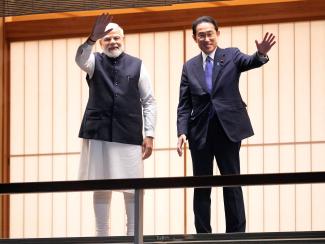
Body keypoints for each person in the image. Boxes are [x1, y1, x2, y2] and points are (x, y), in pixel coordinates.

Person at [176, 16, 275, 233]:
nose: (206, 38)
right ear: (195, 38)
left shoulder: (231, 55)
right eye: (201, 34)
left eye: (210, 33)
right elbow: (184, 104)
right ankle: (203, 234)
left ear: (217, 34)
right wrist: (182, 132)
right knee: (201, 186)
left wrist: (261, 54)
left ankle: (237, 234)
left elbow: (250, 61)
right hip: (199, 132)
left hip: (228, 129)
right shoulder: (189, 67)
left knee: (232, 182)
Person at [75, 13, 156, 236]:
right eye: (107, 39)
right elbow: (80, 59)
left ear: (123, 39)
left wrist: (149, 134)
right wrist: (90, 39)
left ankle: (134, 236)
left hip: (129, 133)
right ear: (101, 43)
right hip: (99, 132)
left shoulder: (138, 65)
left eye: (116, 38)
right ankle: (102, 236)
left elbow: (149, 100)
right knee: (101, 187)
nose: (112, 42)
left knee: (132, 189)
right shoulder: (94, 61)